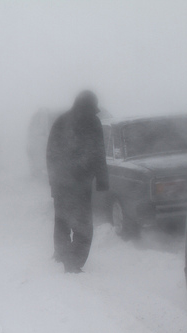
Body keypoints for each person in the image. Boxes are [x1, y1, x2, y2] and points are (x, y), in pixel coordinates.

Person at [46, 90, 109, 273]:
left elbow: (50, 154)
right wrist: (102, 180)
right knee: (83, 225)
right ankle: (73, 263)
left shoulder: (61, 120)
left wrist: (53, 182)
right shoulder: (92, 122)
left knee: (62, 220)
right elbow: (99, 152)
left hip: (61, 182)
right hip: (80, 183)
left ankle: (61, 254)